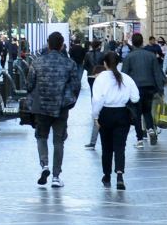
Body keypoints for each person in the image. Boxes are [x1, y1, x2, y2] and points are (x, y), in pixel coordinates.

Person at [25, 32, 81, 188]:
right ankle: (56, 177)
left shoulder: (37, 62)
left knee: (41, 137)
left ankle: (44, 165)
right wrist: (70, 101)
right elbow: (76, 86)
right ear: (62, 45)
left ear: (48, 44)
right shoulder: (69, 63)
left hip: (41, 107)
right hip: (61, 107)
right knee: (59, 141)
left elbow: (29, 85)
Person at [91, 49, 135, 190]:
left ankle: (107, 175)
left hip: (106, 113)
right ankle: (120, 175)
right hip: (122, 113)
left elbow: (98, 99)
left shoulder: (101, 78)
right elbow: (136, 97)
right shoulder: (126, 78)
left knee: (107, 147)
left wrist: (95, 116)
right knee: (120, 146)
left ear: (105, 63)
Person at [123, 33, 165, 147]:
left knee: (137, 114)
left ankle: (140, 140)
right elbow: (157, 73)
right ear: (142, 42)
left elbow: (124, 75)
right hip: (149, 87)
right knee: (147, 111)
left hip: (135, 88)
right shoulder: (151, 55)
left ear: (133, 42)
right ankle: (151, 129)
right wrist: (160, 89)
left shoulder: (129, 57)